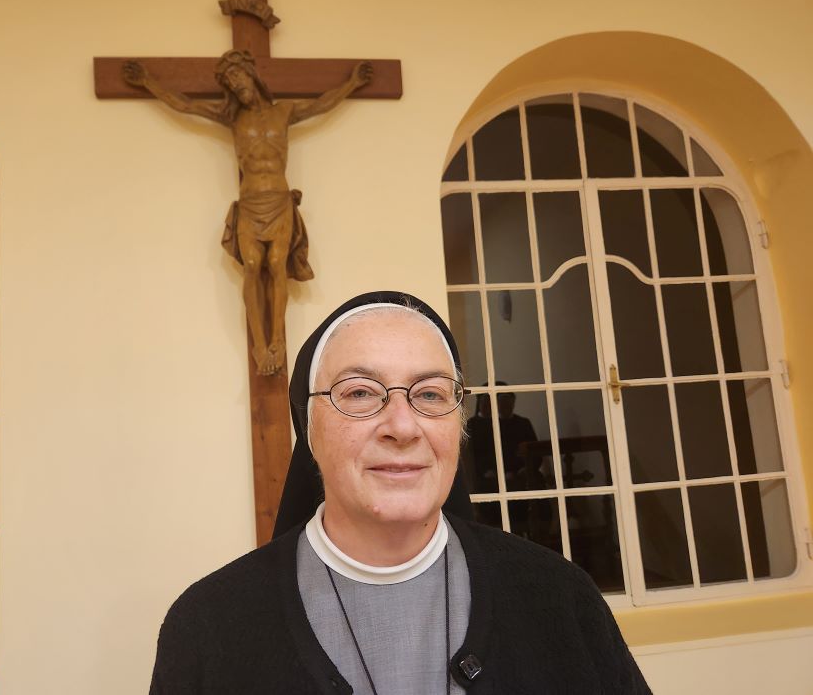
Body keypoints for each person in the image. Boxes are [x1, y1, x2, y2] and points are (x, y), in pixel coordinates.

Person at [149, 291, 651, 694]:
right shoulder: (208, 627)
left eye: (430, 393)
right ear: (310, 431)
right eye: (360, 392)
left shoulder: (562, 600)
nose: (402, 426)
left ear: (458, 426)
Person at [123, 51, 373, 376]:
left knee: (275, 264)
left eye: (238, 77)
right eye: (229, 82)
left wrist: (352, 83)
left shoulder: (283, 112)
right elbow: (185, 105)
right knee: (252, 265)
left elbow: (321, 105)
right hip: (251, 203)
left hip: (279, 201)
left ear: (251, 76)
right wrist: (148, 83)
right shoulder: (233, 118)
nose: (236, 85)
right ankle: (259, 344)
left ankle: (277, 342)